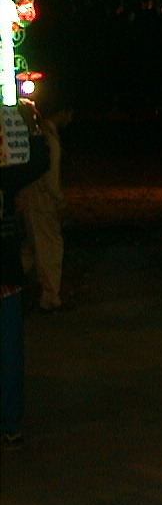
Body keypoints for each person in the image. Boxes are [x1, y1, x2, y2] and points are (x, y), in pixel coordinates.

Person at [2, 100, 52, 448]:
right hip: (6, 277)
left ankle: (9, 423)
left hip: (6, 277)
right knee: (9, 355)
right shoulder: (6, 176)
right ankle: (9, 425)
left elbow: (37, 163)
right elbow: (39, 162)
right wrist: (32, 125)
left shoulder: (5, 175)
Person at [18, 106, 69, 313]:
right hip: (43, 201)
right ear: (62, 113)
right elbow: (51, 178)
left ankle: (14, 287)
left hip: (27, 198)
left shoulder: (34, 134)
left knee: (30, 248)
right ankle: (50, 298)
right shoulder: (50, 139)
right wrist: (60, 203)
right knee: (50, 248)